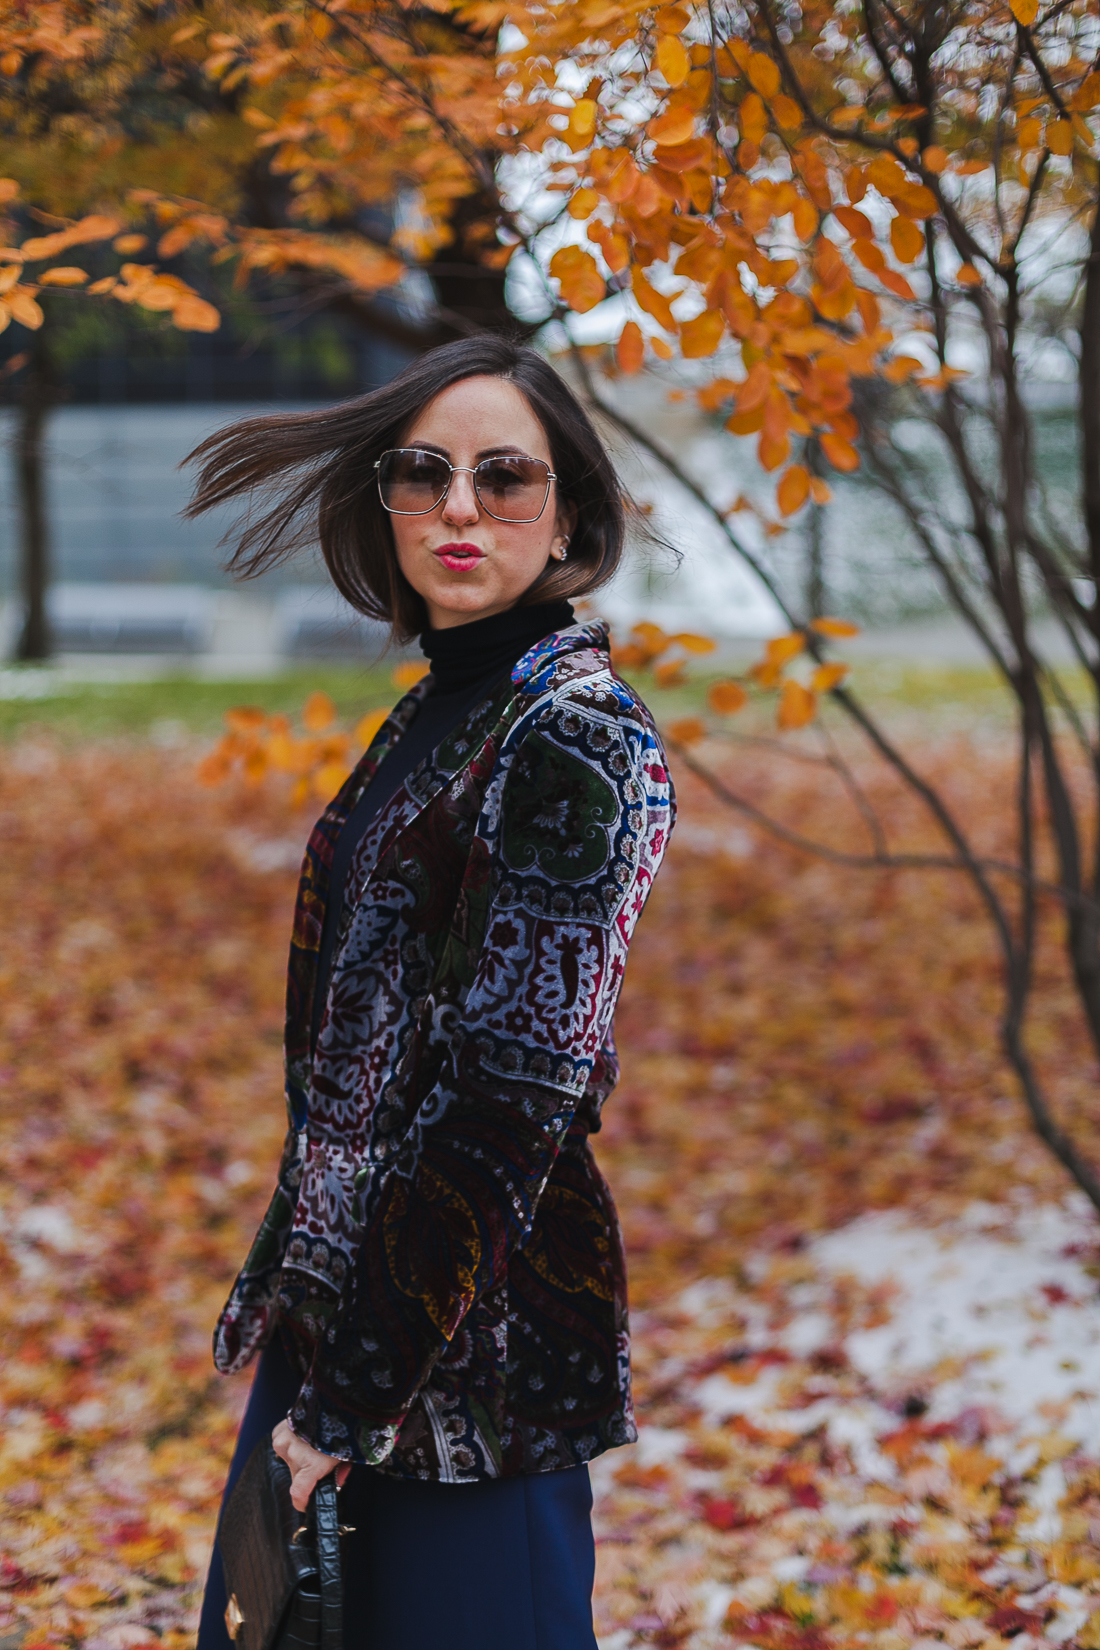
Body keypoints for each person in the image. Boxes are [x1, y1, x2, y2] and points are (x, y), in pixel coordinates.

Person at [187, 336, 675, 1650]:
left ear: (566, 510)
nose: (463, 507)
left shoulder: (575, 737)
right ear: (388, 502)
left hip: (470, 1377)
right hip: (344, 1313)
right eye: (428, 472)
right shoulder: (440, 709)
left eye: (505, 477)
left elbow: (506, 1105)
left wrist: (350, 1401)